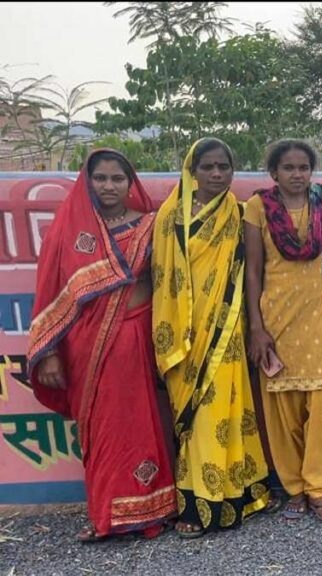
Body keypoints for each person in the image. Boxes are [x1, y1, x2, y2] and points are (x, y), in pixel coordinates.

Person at [28, 149, 176, 542]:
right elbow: (48, 294)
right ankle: (107, 516)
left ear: (131, 183)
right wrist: (49, 353)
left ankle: (153, 509)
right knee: (104, 433)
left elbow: (175, 284)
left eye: (117, 178)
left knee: (147, 423)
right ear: (87, 181)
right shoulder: (66, 230)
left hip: (141, 339)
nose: (108, 186)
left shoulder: (152, 226)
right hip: (87, 348)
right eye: (100, 178)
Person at [152, 137, 277, 537]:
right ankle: (196, 502)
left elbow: (254, 272)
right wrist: (175, 336)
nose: (217, 174)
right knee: (197, 418)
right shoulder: (170, 218)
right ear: (192, 170)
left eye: (224, 167)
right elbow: (163, 281)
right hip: (186, 338)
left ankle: (238, 494)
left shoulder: (240, 215)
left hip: (227, 333)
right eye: (208, 167)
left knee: (228, 413)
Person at [244, 139, 322, 523]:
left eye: (303, 167)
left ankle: (319, 489)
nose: (297, 175)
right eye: (288, 168)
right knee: (283, 409)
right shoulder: (258, 208)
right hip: (277, 319)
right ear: (274, 173)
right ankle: (294, 488)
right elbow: (253, 272)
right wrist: (256, 327)